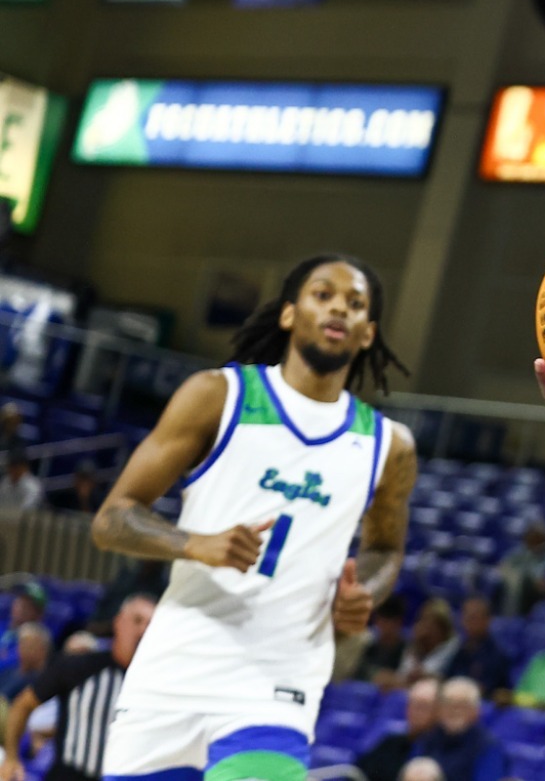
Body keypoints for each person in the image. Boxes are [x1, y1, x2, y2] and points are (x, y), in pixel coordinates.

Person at [90, 254, 418, 781]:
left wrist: (366, 595)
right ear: (289, 314)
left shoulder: (389, 445)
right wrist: (194, 543)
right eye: (324, 294)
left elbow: (385, 548)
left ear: (367, 333)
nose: (340, 308)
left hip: (278, 682)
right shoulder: (217, 396)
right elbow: (111, 520)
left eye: (356, 304)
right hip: (175, 667)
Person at [0, 595, 152, 781]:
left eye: (151, 624)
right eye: (137, 620)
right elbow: (22, 705)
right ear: (118, 622)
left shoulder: (156, 683)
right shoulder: (79, 667)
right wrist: (12, 758)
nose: (143, 630)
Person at [409, 677, 509, 781]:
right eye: (448, 703)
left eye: (461, 705)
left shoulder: (487, 746)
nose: (454, 711)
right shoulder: (428, 737)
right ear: (439, 708)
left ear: (475, 712)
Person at [357, 678, 438, 781]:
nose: (416, 711)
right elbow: (358, 773)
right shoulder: (391, 742)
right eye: (412, 704)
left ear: (437, 711)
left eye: (423, 706)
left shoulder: (442, 751)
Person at [444, 596, 513, 701]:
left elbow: (487, 690)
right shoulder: (460, 649)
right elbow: (447, 678)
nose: (468, 622)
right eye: (466, 617)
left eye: (473, 617)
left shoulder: (497, 654)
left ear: (487, 620)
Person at [495, 520, 545, 616]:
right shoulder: (521, 552)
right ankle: (501, 616)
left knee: (523, 585)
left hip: (536, 592)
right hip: (517, 586)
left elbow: (541, 580)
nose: (535, 543)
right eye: (532, 538)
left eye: (539, 539)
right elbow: (503, 566)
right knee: (502, 584)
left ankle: (514, 617)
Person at [400, 598, 459, 684]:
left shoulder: (452, 646)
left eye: (432, 623)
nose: (425, 627)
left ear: (442, 628)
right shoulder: (415, 644)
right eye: (423, 620)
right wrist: (417, 645)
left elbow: (431, 673)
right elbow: (404, 674)